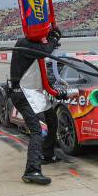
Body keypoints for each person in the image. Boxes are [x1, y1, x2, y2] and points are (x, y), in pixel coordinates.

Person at [9, 27, 66, 185]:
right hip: (23, 94)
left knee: (52, 120)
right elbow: (45, 51)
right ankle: (32, 170)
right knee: (38, 130)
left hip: (32, 92)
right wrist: (53, 40)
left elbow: (43, 60)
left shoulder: (31, 45)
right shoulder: (24, 43)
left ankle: (47, 155)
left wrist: (55, 92)